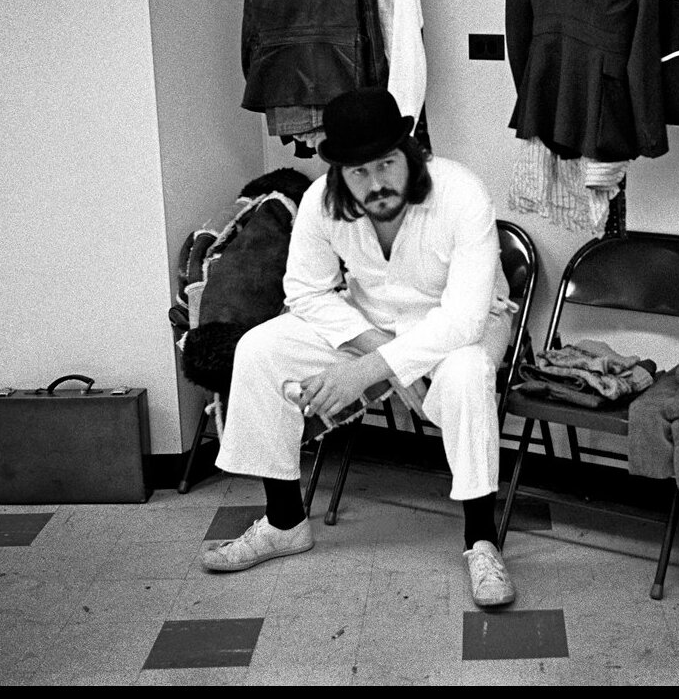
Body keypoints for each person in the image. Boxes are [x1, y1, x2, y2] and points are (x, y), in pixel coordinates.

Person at [201, 87, 518, 608]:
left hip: (468, 323)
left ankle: (481, 540)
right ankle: (284, 522)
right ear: (340, 174)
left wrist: (371, 368)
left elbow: (463, 319)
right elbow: (304, 292)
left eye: (386, 164)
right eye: (358, 173)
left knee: (465, 374)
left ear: (410, 152)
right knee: (260, 348)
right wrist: (386, 362)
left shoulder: (461, 193)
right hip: (368, 321)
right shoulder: (321, 201)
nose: (376, 184)